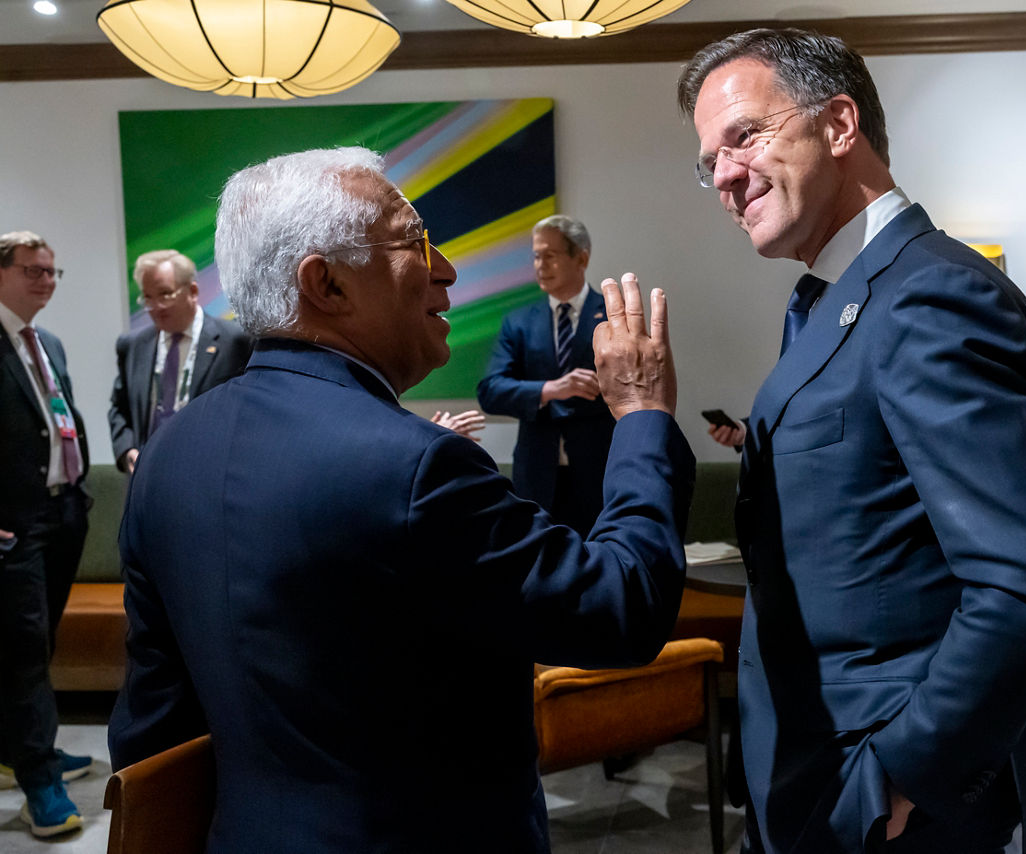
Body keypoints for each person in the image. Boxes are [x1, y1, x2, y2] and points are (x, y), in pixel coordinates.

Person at [107, 147, 692, 854]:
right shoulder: (415, 466)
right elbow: (620, 609)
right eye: (413, 240)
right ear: (326, 283)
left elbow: (154, 728)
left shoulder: (169, 455)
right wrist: (643, 415)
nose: (445, 268)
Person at [677, 29, 1026, 853]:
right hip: (817, 767)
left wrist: (900, 775)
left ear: (839, 126)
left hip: (887, 799)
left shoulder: (930, 297)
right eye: (709, 161)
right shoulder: (836, 300)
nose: (724, 176)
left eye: (745, 136)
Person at [0, 230, 92, 838]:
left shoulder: (46, 341)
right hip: (13, 525)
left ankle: (30, 747)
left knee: (41, 641)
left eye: (53, 272)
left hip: (63, 513)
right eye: (34, 270)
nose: (47, 282)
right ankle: (39, 782)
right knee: (25, 650)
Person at [476, 215, 615, 536]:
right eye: (536, 256)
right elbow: (490, 391)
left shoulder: (612, 316)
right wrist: (551, 389)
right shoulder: (520, 322)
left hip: (600, 471)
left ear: (581, 257)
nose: (540, 265)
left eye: (549, 255)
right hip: (536, 475)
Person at [108, 249, 254, 473]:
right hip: (147, 476)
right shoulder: (133, 345)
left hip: (208, 476)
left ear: (192, 291)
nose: (155, 307)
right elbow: (119, 409)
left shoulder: (236, 341)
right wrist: (126, 450)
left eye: (165, 294)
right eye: (147, 297)